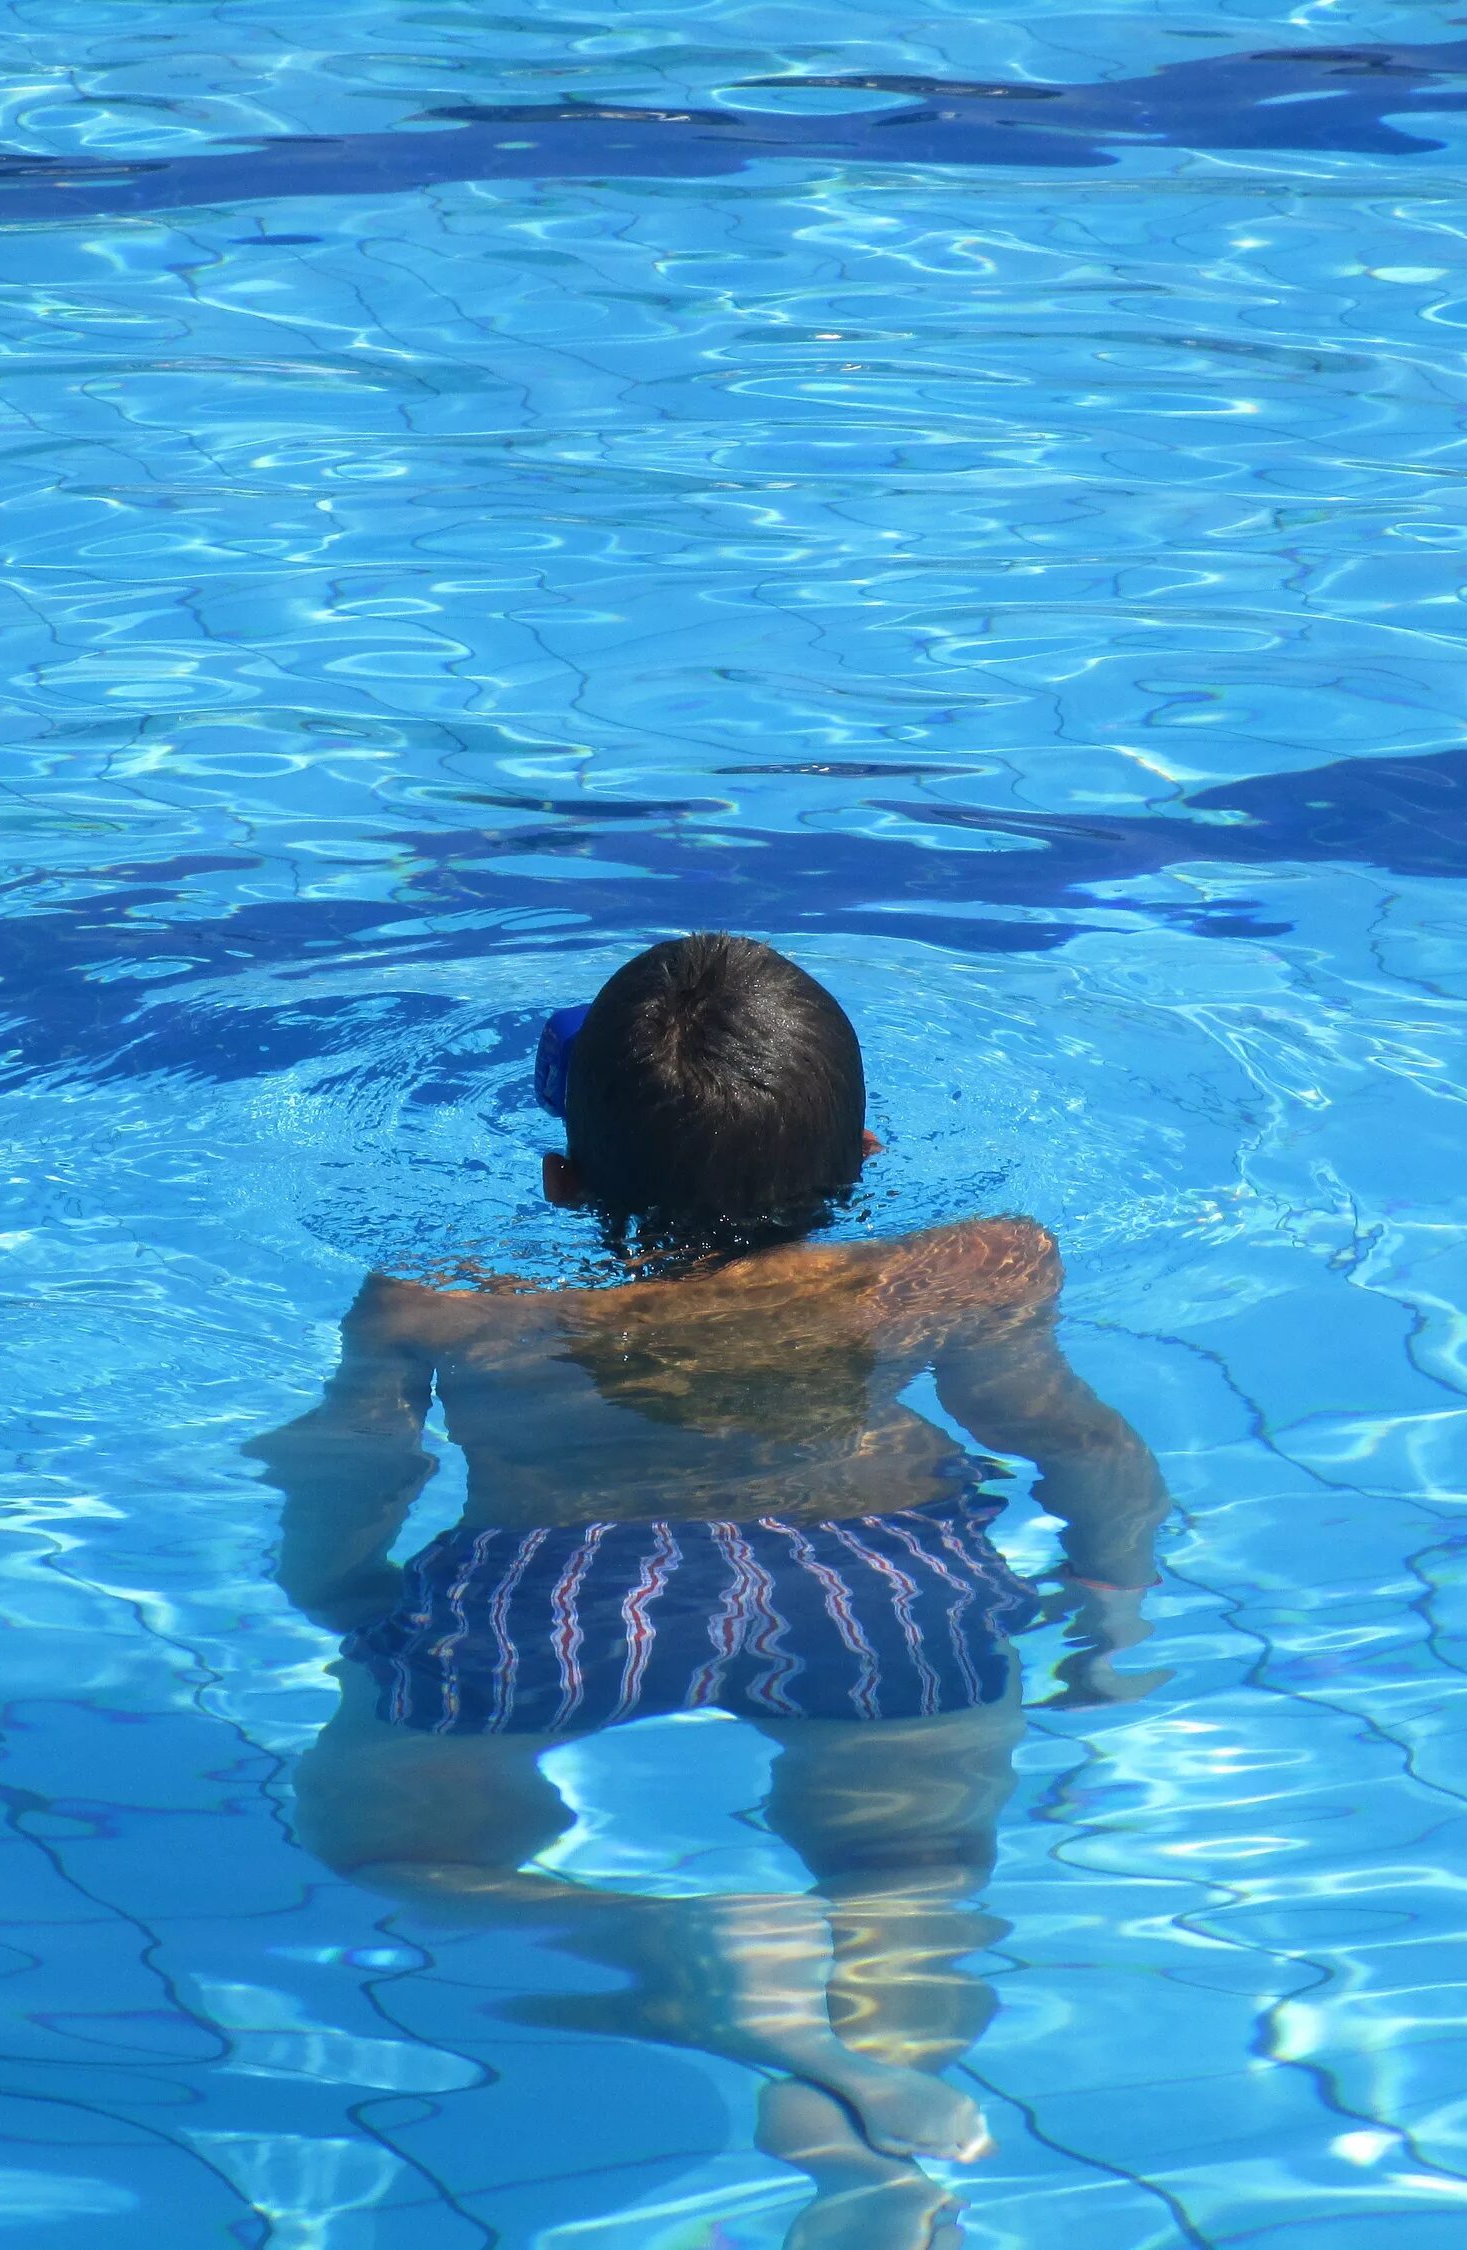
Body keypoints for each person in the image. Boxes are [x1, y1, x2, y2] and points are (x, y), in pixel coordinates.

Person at [253, 933, 1170, 2249]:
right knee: (912, 1877)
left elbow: (344, 1465)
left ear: (562, 1178)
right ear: (867, 1162)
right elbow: (1084, 1446)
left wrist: (346, 1596)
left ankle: (682, 1959)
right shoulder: (974, 1263)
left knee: (389, 1837)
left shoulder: (444, 1296)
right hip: (879, 1571)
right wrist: (1112, 1593)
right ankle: (875, 2165)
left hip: (554, 1584)